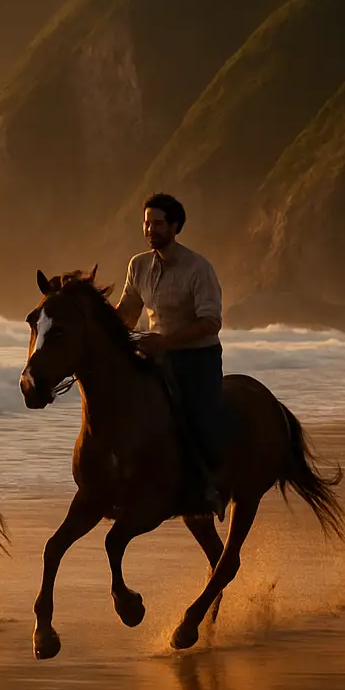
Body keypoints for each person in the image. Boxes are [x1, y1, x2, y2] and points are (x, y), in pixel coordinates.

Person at [115, 193, 227, 519]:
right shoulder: (138, 265)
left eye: (158, 224)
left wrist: (164, 341)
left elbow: (210, 321)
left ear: (175, 226)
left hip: (197, 358)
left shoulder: (198, 268)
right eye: (146, 223)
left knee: (199, 419)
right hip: (156, 355)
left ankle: (212, 488)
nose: (150, 230)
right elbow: (127, 313)